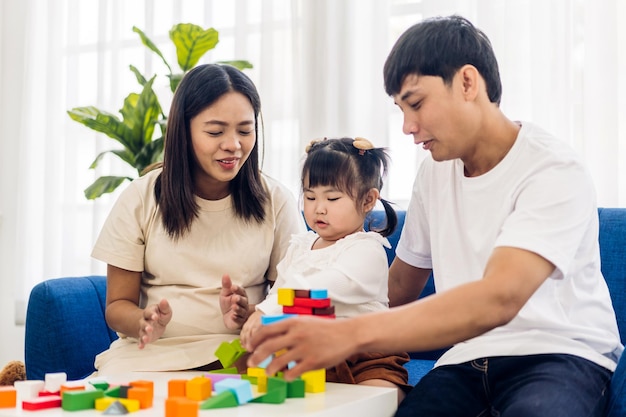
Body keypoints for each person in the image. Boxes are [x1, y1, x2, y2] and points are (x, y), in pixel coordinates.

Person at [247, 15, 623, 417]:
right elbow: (396, 290)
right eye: (400, 110)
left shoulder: (552, 169)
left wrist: (347, 334)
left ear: (467, 82)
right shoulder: (434, 172)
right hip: (465, 361)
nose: (407, 127)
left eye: (417, 104)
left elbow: (499, 297)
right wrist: (309, 321)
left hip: (557, 355)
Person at [90, 63, 305, 375]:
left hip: (241, 353)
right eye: (215, 131)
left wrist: (251, 313)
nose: (233, 144)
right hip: (152, 356)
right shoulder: (142, 197)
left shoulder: (275, 201)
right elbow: (117, 306)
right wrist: (144, 321)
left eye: (245, 130)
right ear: (184, 130)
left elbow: (291, 298)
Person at [232, 137, 411, 402]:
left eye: (333, 197)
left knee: (377, 397)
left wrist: (267, 310)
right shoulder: (301, 245)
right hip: (307, 354)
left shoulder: (367, 249)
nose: (319, 208)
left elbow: (325, 287)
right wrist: (251, 315)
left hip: (361, 357)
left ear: (367, 200)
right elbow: (279, 292)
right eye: (310, 196)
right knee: (250, 376)